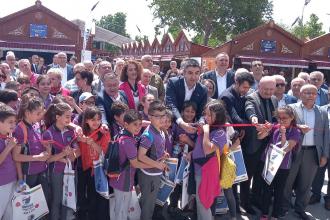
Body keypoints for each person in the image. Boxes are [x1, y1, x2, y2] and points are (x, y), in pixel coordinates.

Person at [282, 84, 329, 220]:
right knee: (288, 180)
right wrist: (296, 127)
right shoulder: (291, 109)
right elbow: (283, 125)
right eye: (307, 93)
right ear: (301, 94)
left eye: (314, 93)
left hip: (312, 152)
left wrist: (325, 155)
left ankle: (300, 209)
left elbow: (326, 134)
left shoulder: (322, 112)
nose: (311, 96)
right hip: (293, 150)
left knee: (306, 183)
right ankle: (284, 206)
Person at [241, 76, 278, 214]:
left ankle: (256, 198)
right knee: (248, 175)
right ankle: (244, 202)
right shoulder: (251, 98)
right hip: (253, 143)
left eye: (271, 89)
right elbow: (250, 110)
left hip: (268, 143)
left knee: (261, 174)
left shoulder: (274, 99)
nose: (268, 92)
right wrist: (254, 120)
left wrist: (270, 127)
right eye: (265, 89)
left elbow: (275, 118)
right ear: (259, 87)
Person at [257, 106, 301, 219]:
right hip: (268, 162)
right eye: (279, 118)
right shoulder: (275, 126)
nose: (281, 120)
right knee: (266, 188)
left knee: (279, 190)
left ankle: (276, 214)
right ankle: (265, 213)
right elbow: (260, 137)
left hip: (283, 166)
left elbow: (285, 148)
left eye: (284, 118)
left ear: (292, 117)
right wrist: (265, 130)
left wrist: (283, 134)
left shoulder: (295, 131)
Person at [109, 109, 152, 220]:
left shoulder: (121, 134)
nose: (138, 127)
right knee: (122, 210)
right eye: (135, 125)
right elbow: (135, 163)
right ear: (126, 124)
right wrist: (154, 165)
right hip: (124, 180)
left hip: (117, 177)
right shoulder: (128, 141)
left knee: (119, 207)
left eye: (140, 124)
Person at [190, 100, 227, 220]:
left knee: (204, 202)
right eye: (205, 114)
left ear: (219, 116)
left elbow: (207, 149)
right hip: (198, 169)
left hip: (206, 171)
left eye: (210, 115)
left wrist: (205, 132)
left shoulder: (220, 132)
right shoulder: (209, 127)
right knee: (200, 202)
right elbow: (200, 147)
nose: (206, 117)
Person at [43, 102, 80, 220]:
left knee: (67, 200)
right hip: (55, 172)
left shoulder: (71, 131)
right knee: (57, 200)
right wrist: (63, 154)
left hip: (70, 171)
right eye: (67, 116)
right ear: (57, 117)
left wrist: (71, 157)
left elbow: (77, 151)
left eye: (71, 116)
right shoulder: (48, 133)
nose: (70, 119)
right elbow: (47, 160)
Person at [13, 96, 51, 206]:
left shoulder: (36, 124)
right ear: (27, 112)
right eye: (38, 113)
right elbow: (16, 156)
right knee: (29, 208)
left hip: (42, 170)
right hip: (28, 174)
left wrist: (47, 148)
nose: (41, 116)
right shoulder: (20, 129)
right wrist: (37, 157)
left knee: (43, 203)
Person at [77, 106, 110, 220]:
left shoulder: (104, 132)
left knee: (97, 199)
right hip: (84, 169)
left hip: (98, 171)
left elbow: (104, 152)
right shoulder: (81, 132)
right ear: (86, 120)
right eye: (93, 119)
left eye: (98, 119)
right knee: (84, 197)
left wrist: (92, 143)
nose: (96, 122)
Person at [138, 100, 168, 220]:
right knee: (148, 206)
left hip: (155, 172)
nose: (161, 119)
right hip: (149, 174)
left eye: (163, 115)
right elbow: (141, 156)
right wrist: (157, 164)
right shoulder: (148, 135)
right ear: (150, 117)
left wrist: (163, 155)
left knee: (149, 201)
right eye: (157, 116)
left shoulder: (160, 130)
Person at [165, 58, 208, 134]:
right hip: (172, 123)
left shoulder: (203, 89)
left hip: (192, 126)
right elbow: (171, 104)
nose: (194, 77)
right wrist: (181, 123)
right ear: (184, 73)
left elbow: (201, 110)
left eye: (197, 73)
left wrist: (201, 123)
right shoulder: (173, 83)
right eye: (190, 73)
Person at [0, 104, 18, 220]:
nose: (13, 125)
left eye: (14, 122)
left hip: (12, 180)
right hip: (1, 183)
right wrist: (9, 147)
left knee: (11, 215)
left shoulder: (7, 136)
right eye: (10, 122)